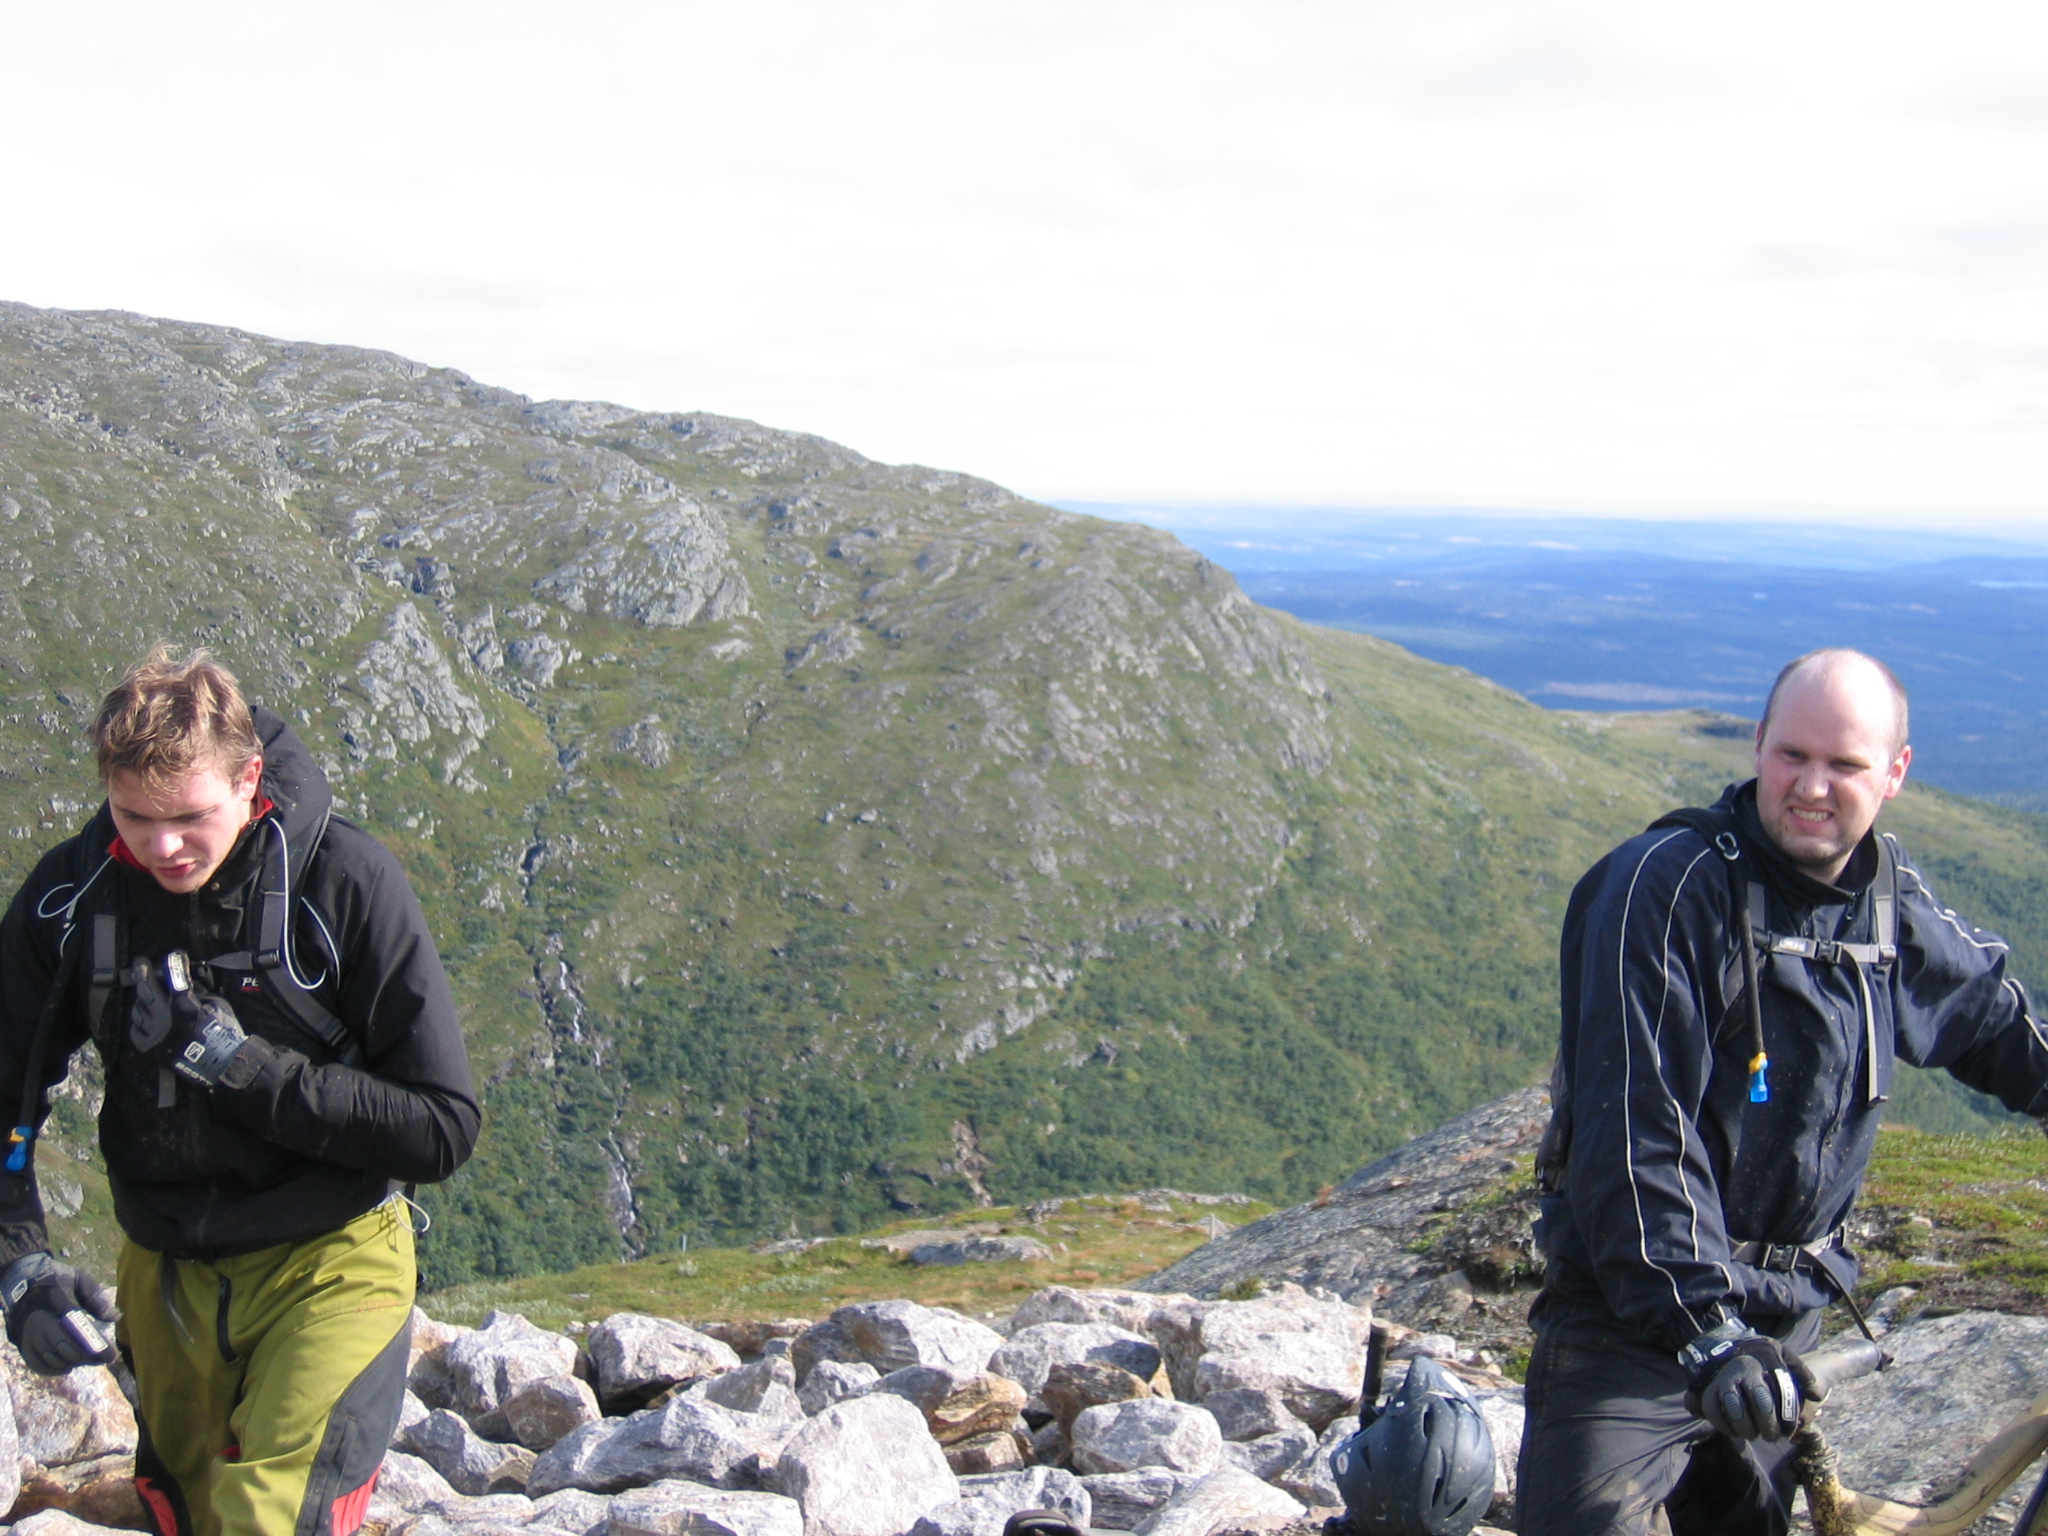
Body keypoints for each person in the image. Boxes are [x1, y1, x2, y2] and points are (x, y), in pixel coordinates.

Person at [1517, 647, 2048, 1536]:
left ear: (1895, 774)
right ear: (1758, 742)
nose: (1812, 787)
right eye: (1792, 755)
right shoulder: (1665, 888)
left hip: (1783, 1328)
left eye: (1845, 764)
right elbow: (1633, 1134)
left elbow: (1992, 1023)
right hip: (1630, 1333)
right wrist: (1708, 1332)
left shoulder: (1885, 901)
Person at [0, 649, 480, 1536]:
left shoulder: (342, 883)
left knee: (269, 1519)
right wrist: (19, 1263)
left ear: (249, 779)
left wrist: (241, 1068)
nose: (162, 847)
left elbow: (442, 1125)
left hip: (331, 1259)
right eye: (134, 817)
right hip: (166, 1275)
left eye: (189, 816)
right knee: (186, 1516)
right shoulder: (74, 901)